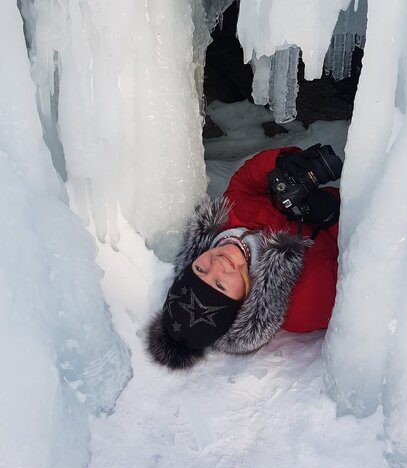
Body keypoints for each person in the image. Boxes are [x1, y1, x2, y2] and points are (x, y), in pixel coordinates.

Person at [145, 145, 341, 370]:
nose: (216, 265)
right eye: (220, 285)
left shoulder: (227, 222)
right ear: (241, 305)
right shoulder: (305, 307)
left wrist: (281, 165)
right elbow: (363, 271)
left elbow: (244, 183)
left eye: (200, 270)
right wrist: (334, 218)